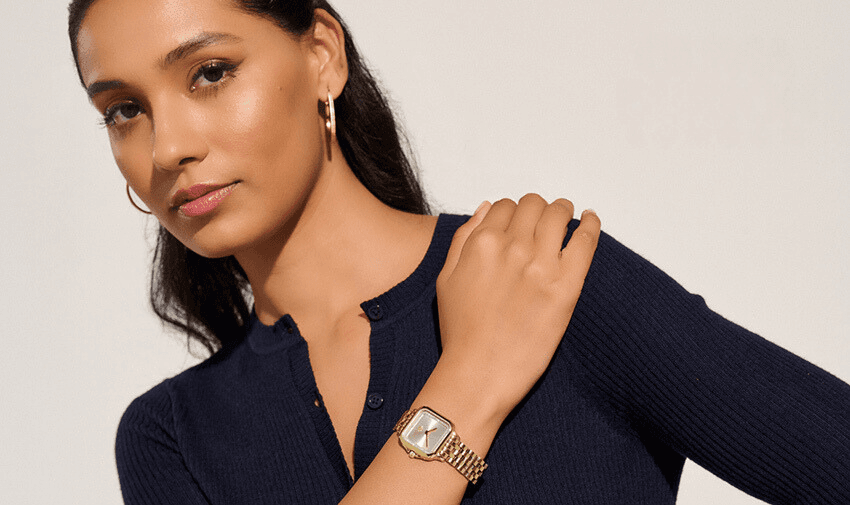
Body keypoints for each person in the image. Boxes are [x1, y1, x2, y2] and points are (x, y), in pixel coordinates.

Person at [68, 0, 850, 504]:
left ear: (322, 57)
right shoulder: (172, 437)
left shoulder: (543, 274)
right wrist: (472, 378)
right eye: (124, 110)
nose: (167, 146)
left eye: (210, 72)